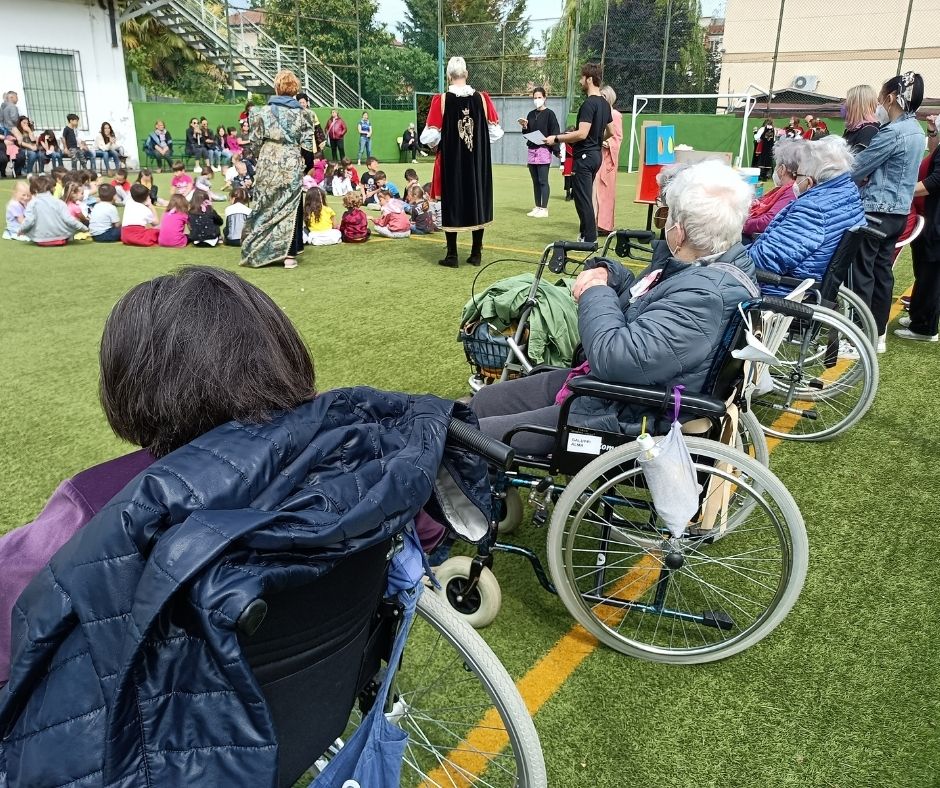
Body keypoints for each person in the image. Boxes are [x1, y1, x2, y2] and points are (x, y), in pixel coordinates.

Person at [470, 159, 759, 455]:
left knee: (468, 437)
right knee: (482, 403)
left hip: (624, 417)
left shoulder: (705, 295)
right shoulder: (712, 268)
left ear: (680, 230)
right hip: (622, 395)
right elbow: (645, 301)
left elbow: (615, 356)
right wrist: (608, 273)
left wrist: (595, 291)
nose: (664, 223)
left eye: (666, 215)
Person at [851, 71, 926, 352]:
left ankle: (859, 335)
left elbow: (857, 167)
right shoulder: (916, 131)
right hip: (898, 214)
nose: (880, 103)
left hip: (876, 211)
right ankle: (878, 334)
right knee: (882, 274)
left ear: (892, 98)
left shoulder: (893, 133)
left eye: (882, 97)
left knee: (863, 274)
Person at [749, 136, 864, 294]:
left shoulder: (813, 209)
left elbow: (765, 260)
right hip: (810, 279)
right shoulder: (848, 192)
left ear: (809, 182)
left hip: (782, 289)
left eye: (798, 175)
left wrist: (731, 259)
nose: (795, 181)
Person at [420, 56, 503, 267]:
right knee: (478, 201)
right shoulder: (482, 99)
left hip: (453, 162)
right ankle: (476, 254)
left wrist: (441, 144)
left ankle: (452, 255)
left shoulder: (442, 101)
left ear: (449, 76)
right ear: (466, 74)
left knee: (452, 202)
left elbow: (430, 137)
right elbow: (494, 132)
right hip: (477, 162)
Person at [241, 70, 313, 269]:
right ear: (295, 89)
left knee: (265, 204)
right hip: (291, 161)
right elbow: (307, 146)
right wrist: (305, 167)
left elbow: (254, 142)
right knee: (290, 206)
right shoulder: (304, 113)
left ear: (277, 87)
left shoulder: (259, 112)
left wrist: (263, 156)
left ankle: (257, 252)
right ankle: (289, 255)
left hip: (268, 160)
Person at [544, 63, 614, 244]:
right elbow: (611, 132)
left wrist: (557, 138)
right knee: (584, 197)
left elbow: (582, 133)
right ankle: (585, 234)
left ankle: (589, 238)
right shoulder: (605, 104)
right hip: (595, 156)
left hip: (584, 157)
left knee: (583, 199)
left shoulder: (589, 104)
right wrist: (596, 140)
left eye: (582, 77)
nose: (580, 81)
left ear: (589, 79)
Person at [895, 114, 939, 342]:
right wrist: (932, 131)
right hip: (929, 218)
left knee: (931, 274)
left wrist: (903, 190)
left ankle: (925, 327)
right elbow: (933, 153)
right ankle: (919, 317)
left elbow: (935, 181)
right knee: (923, 271)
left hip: (936, 222)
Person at [742, 137, 801, 238]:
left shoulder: (791, 191)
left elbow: (766, 222)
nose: (776, 170)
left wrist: (740, 223)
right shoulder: (784, 189)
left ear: (782, 169)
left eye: (777, 166)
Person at [519, 86, 560, 218]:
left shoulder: (550, 114)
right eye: (535, 98)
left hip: (544, 150)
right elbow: (527, 133)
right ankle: (537, 206)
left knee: (543, 180)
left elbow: (555, 132)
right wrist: (525, 127)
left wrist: (556, 150)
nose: (537, 100)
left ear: (544, 98)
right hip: (532, 149)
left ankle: (544, 208)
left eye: (539, 97)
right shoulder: (531, 114)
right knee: (535, 180)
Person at [20, 175, 87, 246]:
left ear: (35, 189)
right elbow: (69, 220)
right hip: (61, 238)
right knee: (73, 222)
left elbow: (29, 221)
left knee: (30, 226)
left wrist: (21, 230)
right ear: (52, 188)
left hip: (40, 240)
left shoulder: (32, 203)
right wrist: (84, 228)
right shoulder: (59, 202)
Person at [594, 84, 623, 236]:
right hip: (597, 156)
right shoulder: (598, 113)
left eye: (604, 97)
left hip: (608, 160)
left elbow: (617, 137)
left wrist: (607, 143)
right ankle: (594, 222)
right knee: (594, 192)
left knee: (605, 193)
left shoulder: (615, 115)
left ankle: (605, 225)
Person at [842, 85, 881, 153]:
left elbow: (855, 161)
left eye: (848, 102)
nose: (845, 105)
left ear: (856, 105)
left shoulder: (869, 131)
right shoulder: (854, 128)